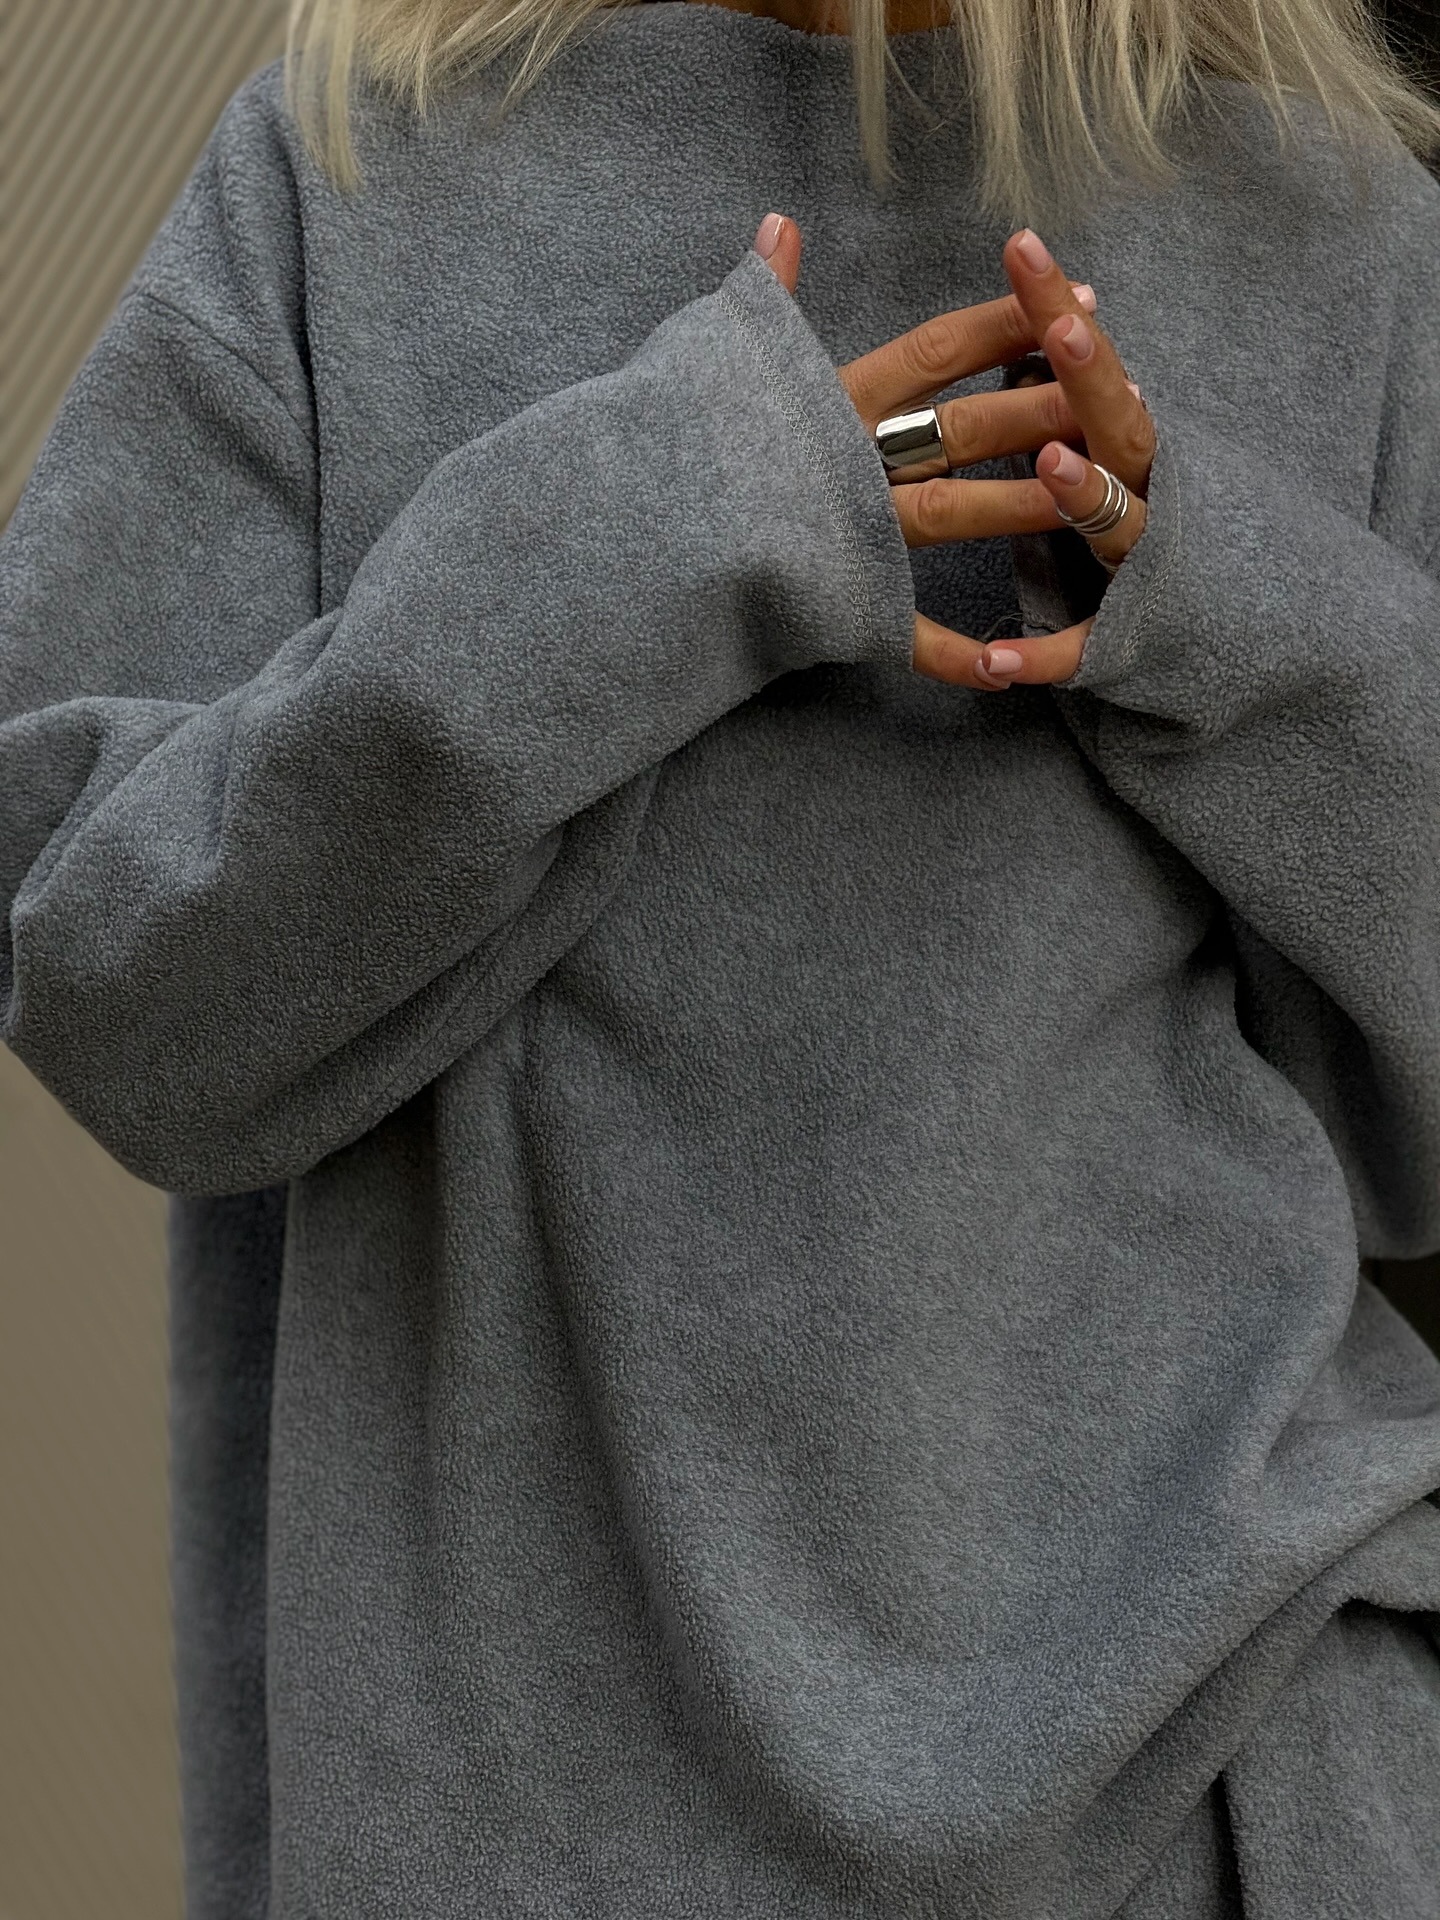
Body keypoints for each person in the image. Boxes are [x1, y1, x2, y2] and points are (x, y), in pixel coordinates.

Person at [3, 0, 1440, 1910]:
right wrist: (648, 530)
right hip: (532, 1815)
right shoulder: (357, 168)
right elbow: (123, 1002)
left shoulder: (1334, 217)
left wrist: (1248, 616)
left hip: (1246, 1778)